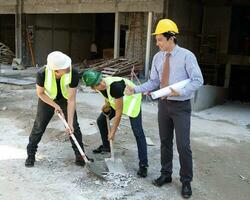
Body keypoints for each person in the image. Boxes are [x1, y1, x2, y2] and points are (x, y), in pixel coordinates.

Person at [125, 19, 203, 198]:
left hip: (181, 106)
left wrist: (181, 91)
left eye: (160, 39)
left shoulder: (186, 56)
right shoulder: (157, 57)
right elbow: (153, 82)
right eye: (157, 39)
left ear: (171, 38)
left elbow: (198, 80)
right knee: (165, 142)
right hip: (164, 105)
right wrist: (135, 90)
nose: (157, 43)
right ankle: (166, 174)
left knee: (183, 145)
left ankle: (185, 181)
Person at [25, 51, 87, 167]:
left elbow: (72, 99)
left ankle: (80, 155)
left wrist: (69, 123)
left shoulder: (73, 72)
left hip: (65, 99)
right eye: (65, 66)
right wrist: (55, 105)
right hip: (47, 99)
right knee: (39, 126)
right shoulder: (42, 73)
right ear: (56, 70)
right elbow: (40, 93)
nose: (69, 67)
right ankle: (31, 155)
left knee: (74, 127)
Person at [82, 70, 148, 177]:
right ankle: (106, 146)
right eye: (98, 84)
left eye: (101, 80)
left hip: (132, 101)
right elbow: (107, 96)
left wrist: (112, 131)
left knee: (138, 131)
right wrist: (107, 105)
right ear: (93, 88)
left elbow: (119, 112)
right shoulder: (100, 88)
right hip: (118, 100)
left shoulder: (115, 86)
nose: (102, 84)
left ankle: (144, 165)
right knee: (101, 120)